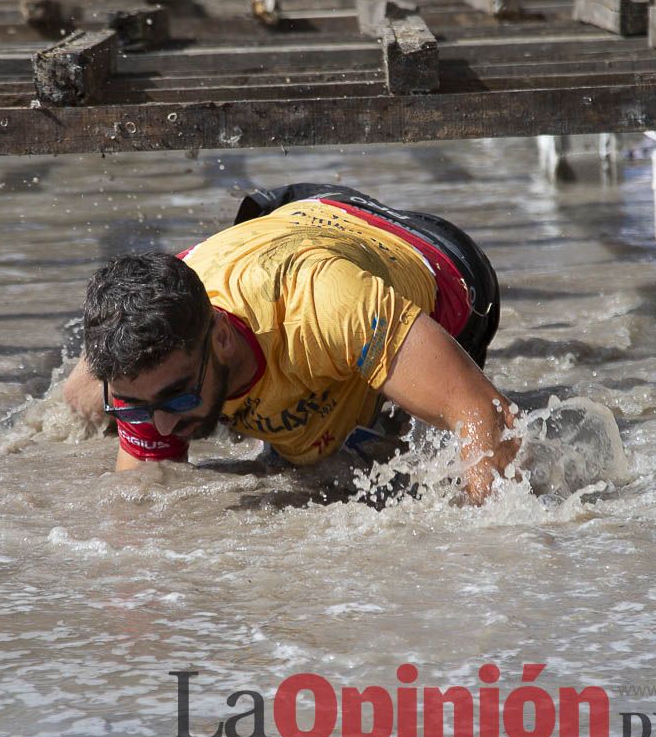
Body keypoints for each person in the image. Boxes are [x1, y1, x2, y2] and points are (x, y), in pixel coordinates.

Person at [63, 184, 518, 504]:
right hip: (279, 223)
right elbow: (143, 503)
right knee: (82, 398)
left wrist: (480, 556)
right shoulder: (151, 374)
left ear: (221, 337)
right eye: (139, 408)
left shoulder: (325, 304)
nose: (159, 425)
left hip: (433, 257)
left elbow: (482, 411)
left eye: (177, 396)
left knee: (381, 450)